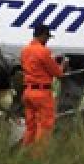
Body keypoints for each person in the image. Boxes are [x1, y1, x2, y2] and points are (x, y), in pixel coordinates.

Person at [19, 23, 68, 151]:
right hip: (42, 93)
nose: (47, 40)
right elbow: (57, 73)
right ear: (43, 35)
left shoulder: (25, 51)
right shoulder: (43, 51)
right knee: (45, 125)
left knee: (31, 126)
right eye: (47, 37)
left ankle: (25, 153)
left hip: (28, 92)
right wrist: (63, 65)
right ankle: (38, 158)